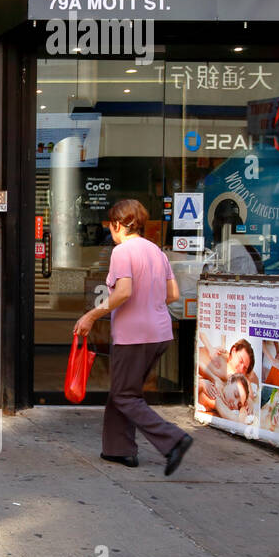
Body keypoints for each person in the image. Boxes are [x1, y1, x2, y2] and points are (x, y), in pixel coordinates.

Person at [74, 198, 193, 475]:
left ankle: (173, 439)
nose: (110, 231)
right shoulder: (156, 251)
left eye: (110, 225)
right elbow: (173, 294)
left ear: (117, 225)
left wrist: (91, 315)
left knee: (125, 395)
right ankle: (118, 450)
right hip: (160, 334)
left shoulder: (122, 252)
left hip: (134, 335)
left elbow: (124, 291)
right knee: (124, 391)